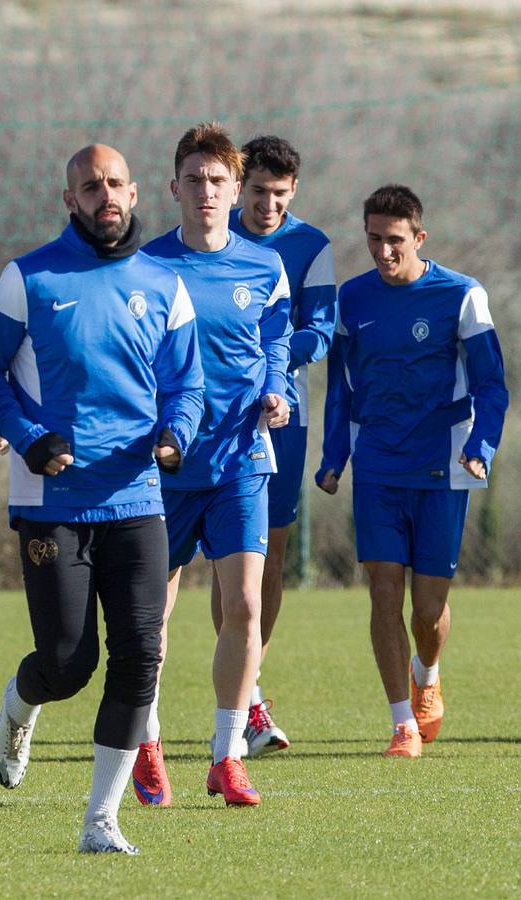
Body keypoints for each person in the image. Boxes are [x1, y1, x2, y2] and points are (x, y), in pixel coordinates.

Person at [0, 144, 204, 855]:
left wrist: (175, 434)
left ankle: (101, 820)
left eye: (114, 184)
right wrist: (27, 437)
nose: (104, 195)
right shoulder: (28, 279)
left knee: (140, 656)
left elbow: (187, 385)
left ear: (134, 194)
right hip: (53, 504)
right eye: (89, 186)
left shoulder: (164, 284)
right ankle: (19, 706)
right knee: (68, 664)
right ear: (68, 199)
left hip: (137, 498)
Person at [316, 184, 506, 758]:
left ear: (419, 237)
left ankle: (428, 673)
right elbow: (340, 390)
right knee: (382, 594)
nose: (383, 251)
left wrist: (481, 445)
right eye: (374, 239)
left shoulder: (462, 295)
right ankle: (402, 722)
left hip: (442, 466)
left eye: (395, 239)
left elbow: (492, 385)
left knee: (428, 610)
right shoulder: (352, 300)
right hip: (377, 464)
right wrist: (334, 456)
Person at [139, 123, 291, 808]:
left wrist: (277, 391)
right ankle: (145, 742)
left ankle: (227, 756)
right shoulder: (144, 267)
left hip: (240, 459)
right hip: (164, 467)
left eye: (217, 180)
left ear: (235, 192)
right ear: (173, 187)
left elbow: (276, 342)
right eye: (194, 179)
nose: (205, 191)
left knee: (245, 604)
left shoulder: (263, 267)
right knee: (150, 617)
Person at [229, 134, 337, 755]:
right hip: (213, 418)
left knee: (268, 557)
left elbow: (319, 331)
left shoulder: (311, 247)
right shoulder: (209, 235)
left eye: (279, 193)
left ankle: (248, 691)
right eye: (257, 191)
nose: (267, 205)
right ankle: (233, 703)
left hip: (280, 418)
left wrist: (263, 360)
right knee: (224, 560)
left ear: (293, 190)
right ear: (238, 185)